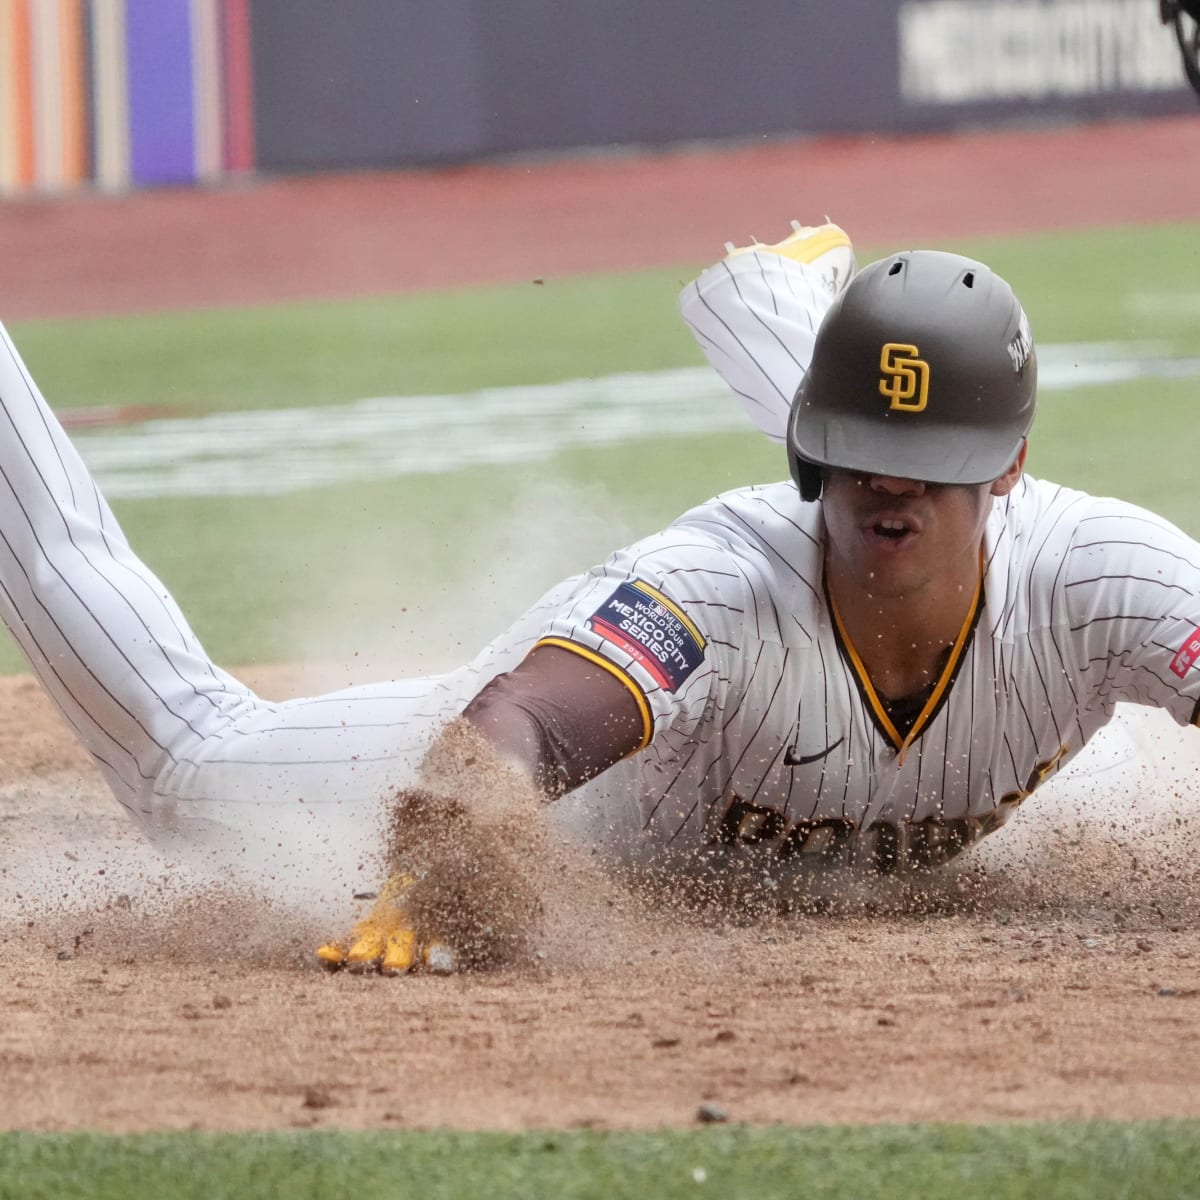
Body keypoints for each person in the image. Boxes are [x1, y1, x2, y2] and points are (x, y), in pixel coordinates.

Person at [1, 222, 1197, 976]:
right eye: (852, 446)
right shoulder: (718, 584)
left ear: (1010, 469)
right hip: (604, 765)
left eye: (935, 461)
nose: (891, 479)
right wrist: (451, 833)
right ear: (811, 447)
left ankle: (767, 304)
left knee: (891, 511)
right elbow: (521, 723)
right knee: (188, 761)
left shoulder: (1101, 579)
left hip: (952, 626)